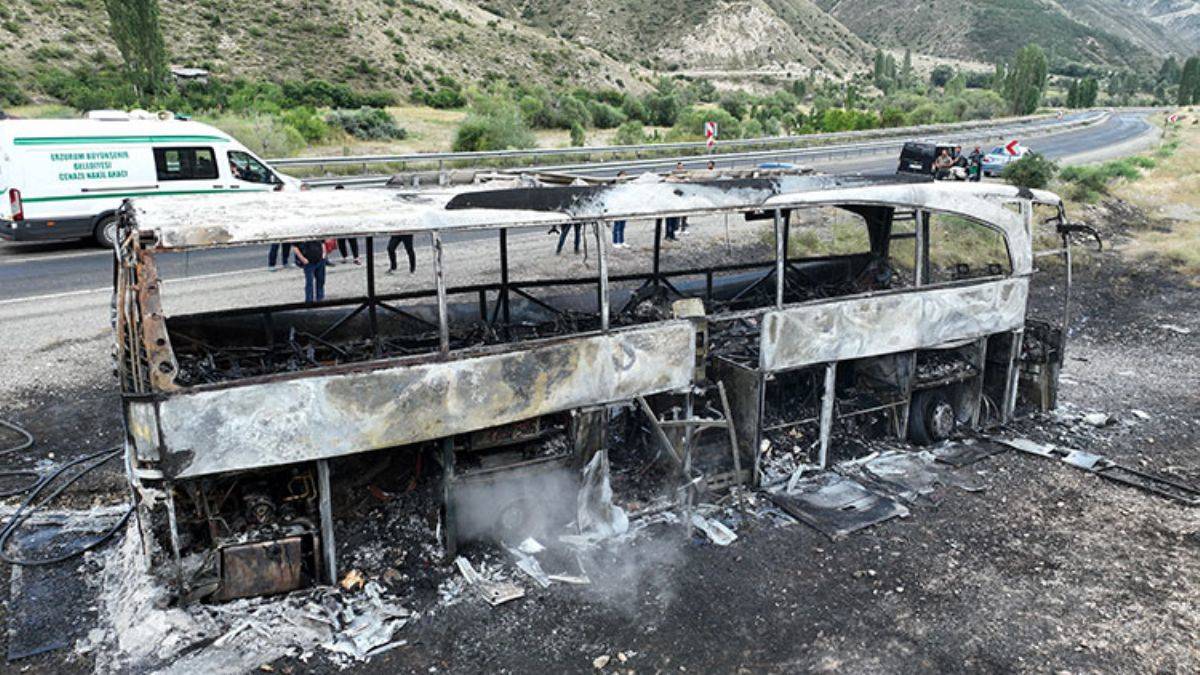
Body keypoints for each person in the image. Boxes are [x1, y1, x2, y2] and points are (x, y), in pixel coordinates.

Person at [292, 239, 327, 304]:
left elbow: (322, 242)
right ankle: (309, 300)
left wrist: (324, 254)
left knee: (321, 280)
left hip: (320, 260)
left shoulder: (316, 231)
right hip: (308, 262)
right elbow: (295, 247)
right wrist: (302, 259)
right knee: (309, 282)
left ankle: (320, 299)